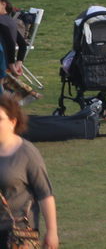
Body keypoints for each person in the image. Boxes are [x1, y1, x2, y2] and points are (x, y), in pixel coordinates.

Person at [0, 94, 59, 249]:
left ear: (13, 122)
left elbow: (45, 194)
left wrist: (52, 232)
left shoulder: (27, 153)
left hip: (18, 235)